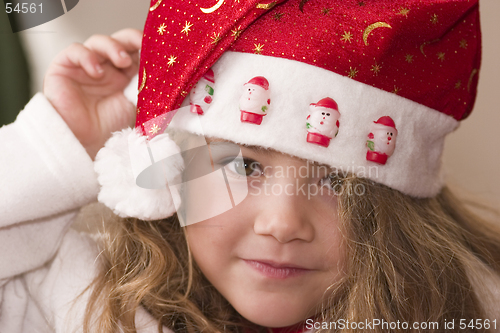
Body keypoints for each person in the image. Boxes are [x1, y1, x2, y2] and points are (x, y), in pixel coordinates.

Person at [1, 1, 500, 333]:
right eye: (243, 165)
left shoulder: (465, 314)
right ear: (170, 167)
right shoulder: (82, 295)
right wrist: (55, 145)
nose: (282, 224)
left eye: (336, 179)